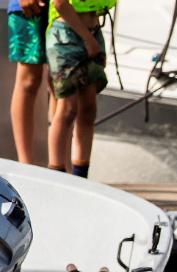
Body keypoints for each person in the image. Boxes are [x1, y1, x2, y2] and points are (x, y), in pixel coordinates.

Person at [45, 0, 112, 178]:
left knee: (88, 109)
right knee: (67, 109)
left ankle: (81, 176)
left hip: (93, 32)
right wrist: (88, 40)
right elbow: (60, 4)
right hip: (66, 35)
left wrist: (92, 39)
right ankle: (56, 176)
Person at [7, 0, 49, 164]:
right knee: (29, 80)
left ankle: (59, 167)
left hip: (69, 9)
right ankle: (25, 164)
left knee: (61, 85)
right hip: (29, 8)